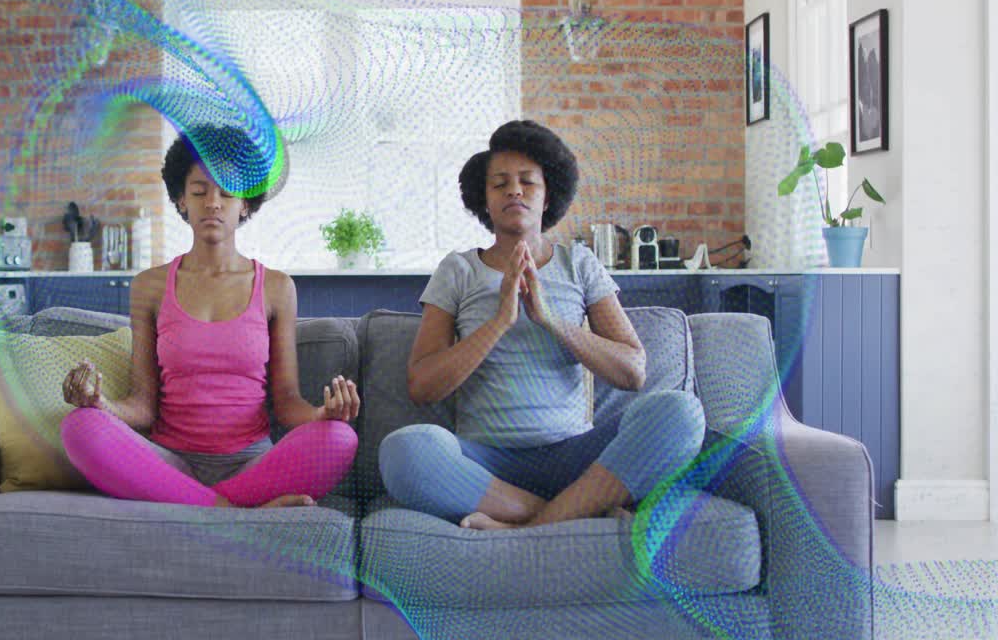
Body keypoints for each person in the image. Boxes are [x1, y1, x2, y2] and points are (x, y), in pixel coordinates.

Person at [378, 120, 705, 530]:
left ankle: (525, 525)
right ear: (485, 200)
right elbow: (422, 386)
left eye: (527, 182)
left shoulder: (578, 264)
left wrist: (551, 320)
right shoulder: (457, 270)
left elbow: (633, 371)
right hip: (485, 467)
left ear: (548, 194)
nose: (514, 190)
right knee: (403, 451)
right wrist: (500, 320)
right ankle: (579, 511)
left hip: (572, 457)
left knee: (681, 413)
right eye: (500, 183)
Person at [60, 125, 359, 509]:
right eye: (199, 191)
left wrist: (323, 414)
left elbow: (286, 403)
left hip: (252, 463)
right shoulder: (149, 287)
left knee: (339, 438)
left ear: (246, 205)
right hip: (170, 462)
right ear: (181, 201)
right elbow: (143, 405)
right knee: (79, 427)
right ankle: (233, 510)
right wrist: (100, 405)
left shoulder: (276, 288)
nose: (213, 203)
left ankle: (197, 505)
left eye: (227, 192)